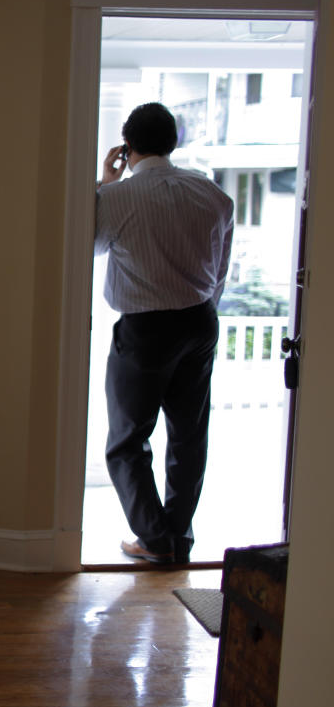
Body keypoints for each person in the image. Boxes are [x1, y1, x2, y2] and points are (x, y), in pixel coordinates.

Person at [95, 102, 234, 565]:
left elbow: (86, 247)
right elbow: (220, 271)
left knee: (127, 438)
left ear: (127, 146)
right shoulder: (212, 194)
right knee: (189, 434)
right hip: (199, 322)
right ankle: (178, 536)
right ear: (172, 143)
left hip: (146, 330)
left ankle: (155, 541)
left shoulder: (115, 199)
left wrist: (105, 183)